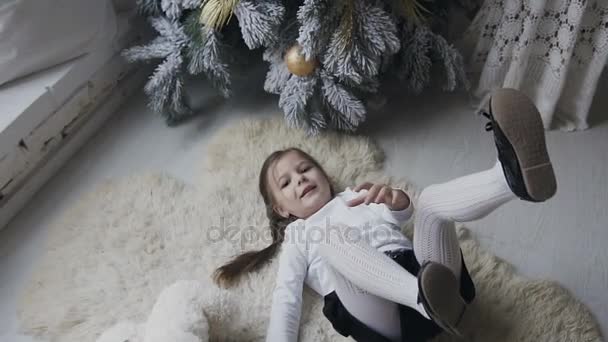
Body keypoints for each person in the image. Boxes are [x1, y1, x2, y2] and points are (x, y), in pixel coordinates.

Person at [212, 88, 557, 341]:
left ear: (325, 176)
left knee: (431, 202)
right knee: (331, 237)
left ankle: (510, 180)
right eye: (286, 182)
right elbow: (285, 298)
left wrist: (395, 201)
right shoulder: (299, 235)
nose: (300, 178)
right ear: (281, 209)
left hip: (431, 278)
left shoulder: (354, 196)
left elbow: (401, 220)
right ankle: (424, 301)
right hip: (380, 311)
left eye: (305, 168)